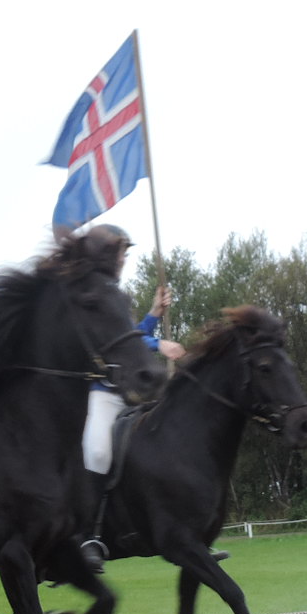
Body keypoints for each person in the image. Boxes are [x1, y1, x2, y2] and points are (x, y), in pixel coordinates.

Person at [77, 225, 185, 568]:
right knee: (97, 451)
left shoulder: (114, 292)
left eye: (125, 252)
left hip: (132, 394)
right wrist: (158, 344)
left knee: (169, 441)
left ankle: (185, 530)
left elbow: (129, 336)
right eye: (119, 252)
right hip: (102, 392)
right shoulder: (85, 292)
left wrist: (153, 315)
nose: (123, 258)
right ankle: (88, 535)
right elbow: (122, 342)